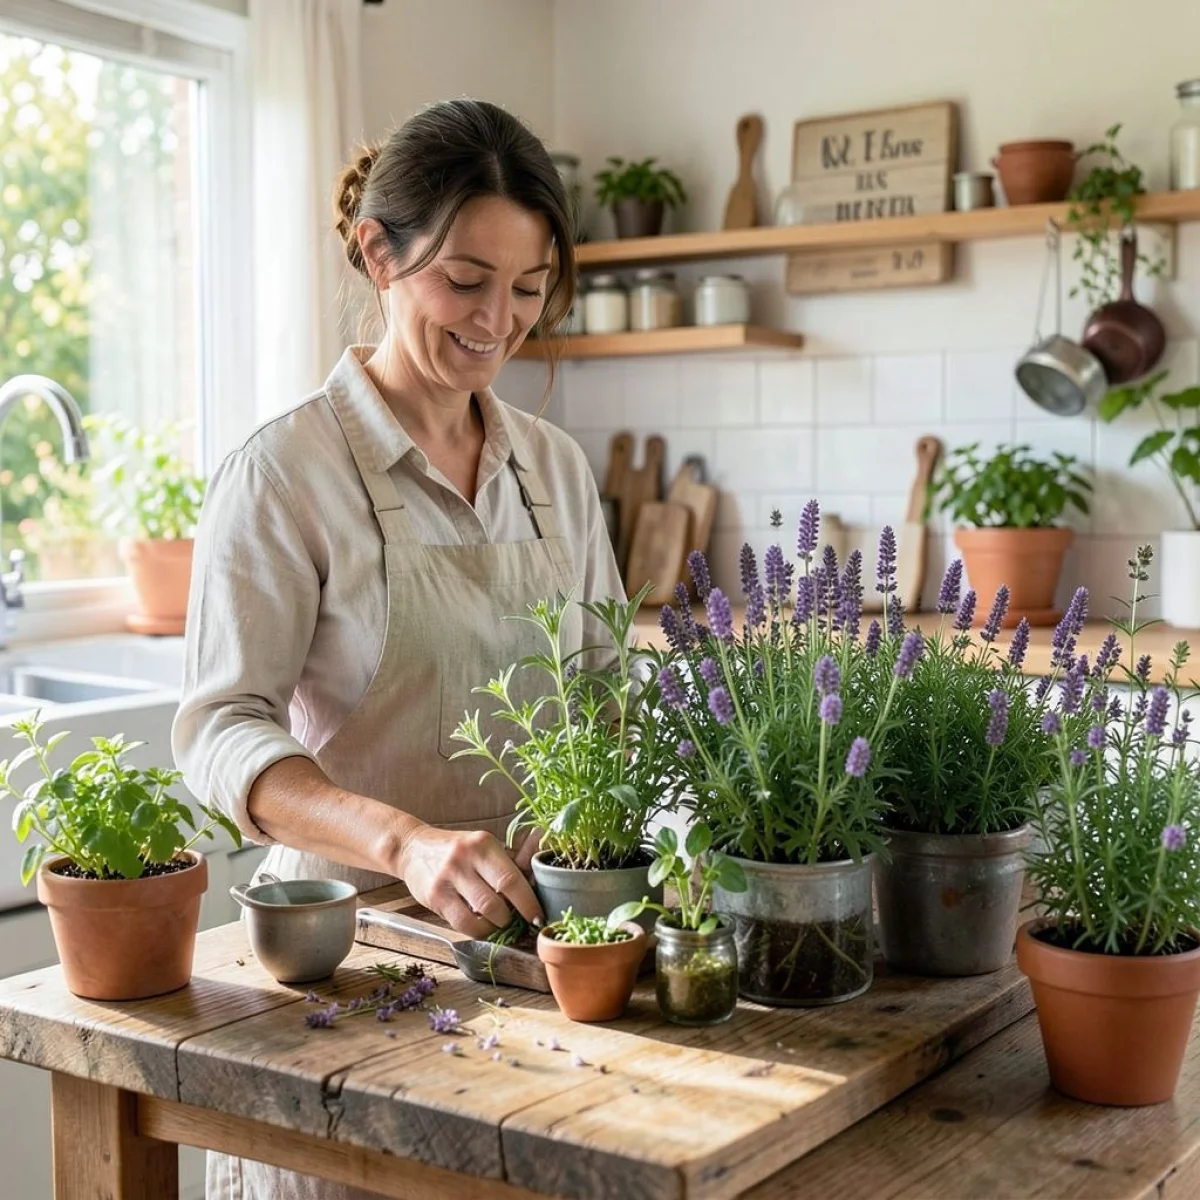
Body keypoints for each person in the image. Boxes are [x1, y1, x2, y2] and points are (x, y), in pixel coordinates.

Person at [172, 98, 624, 1200]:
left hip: (529, 963)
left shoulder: (555, 470)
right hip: (344, 971)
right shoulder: (286, 473)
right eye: (465, 282)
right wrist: (410, 841)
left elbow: (610, 687)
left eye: (527, 289)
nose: (498, 322)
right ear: (378, 253)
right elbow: (221, 730)